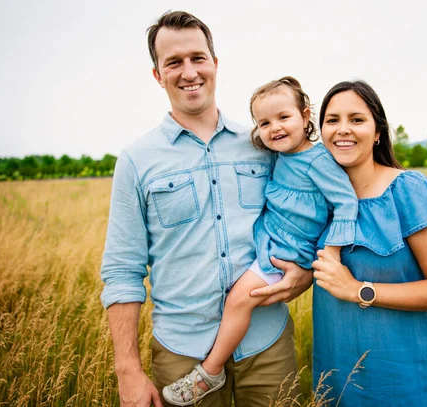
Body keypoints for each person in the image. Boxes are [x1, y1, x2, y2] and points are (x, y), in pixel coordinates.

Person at [100, 11, 312, 407]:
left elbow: (305, 216)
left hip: (267, 346)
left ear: (215, 64)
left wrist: (306, 274)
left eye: (198, 58)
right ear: (157, 74)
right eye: (173, 62)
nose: (188, 72)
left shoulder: (264, 145)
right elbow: (122, 270)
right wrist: (127, 369)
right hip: (181, 353)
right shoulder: (136, 160)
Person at [162, 76, 358, 405]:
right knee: (238, 297)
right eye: (264, 122)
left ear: (306, 116)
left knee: (239, 299)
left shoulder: (319, 160)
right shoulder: (280, 156)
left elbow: (346, 202)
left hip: (286, 252)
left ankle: (209, 372)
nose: (274, 128)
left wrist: (331, 252)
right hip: (270, 242)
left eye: (284, 117)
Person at [311, 80, 427, 406]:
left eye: (357, 119)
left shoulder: (408, 190)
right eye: (332, 120)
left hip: (402, 379)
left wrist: (358, 290)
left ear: (378, 131)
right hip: (336, 373)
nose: (343, 130)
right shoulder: (319, 200)